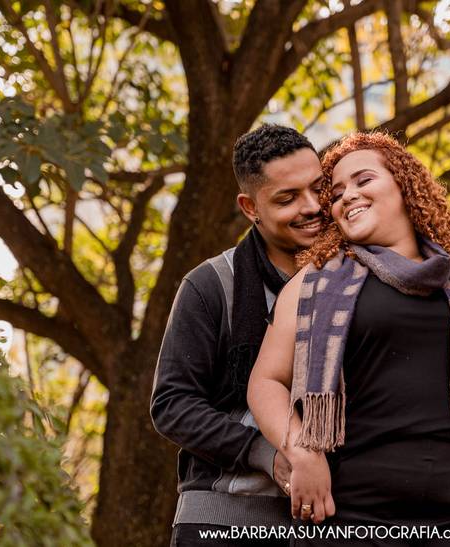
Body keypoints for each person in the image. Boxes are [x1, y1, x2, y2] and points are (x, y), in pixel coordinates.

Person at [248, 132, 450, 545]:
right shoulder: (314, 282)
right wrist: (301, 451)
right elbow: (265, 382)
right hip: (348, 517)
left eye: (363, 181)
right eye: (337, 192)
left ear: (404, 185)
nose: (347, 196)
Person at [150, 124, 325, 546]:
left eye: (319, 188)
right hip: (222, 522)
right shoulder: (210, 285)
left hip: (332, 525)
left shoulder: (355, 281)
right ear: (250, 207)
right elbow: (172, 405)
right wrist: (266, 455)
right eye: (287, 198)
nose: (313, 206)